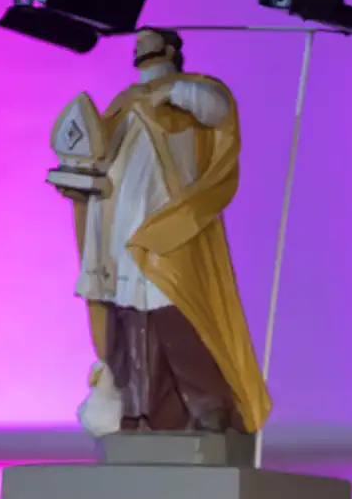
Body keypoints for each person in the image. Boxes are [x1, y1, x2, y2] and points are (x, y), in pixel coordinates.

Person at [49, 26, 270, 436]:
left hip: (166, 227)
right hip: (119, 229)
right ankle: (142, 413)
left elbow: (217, 109)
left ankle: (209, 408)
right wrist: (79, 186)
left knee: (179, 316)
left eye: (149, 43)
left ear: (170, 49)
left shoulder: (192, 95)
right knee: (130, 324)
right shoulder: (124, 105)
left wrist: (175, 93)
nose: (140, 49)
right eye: (137, 44)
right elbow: (96, 159)